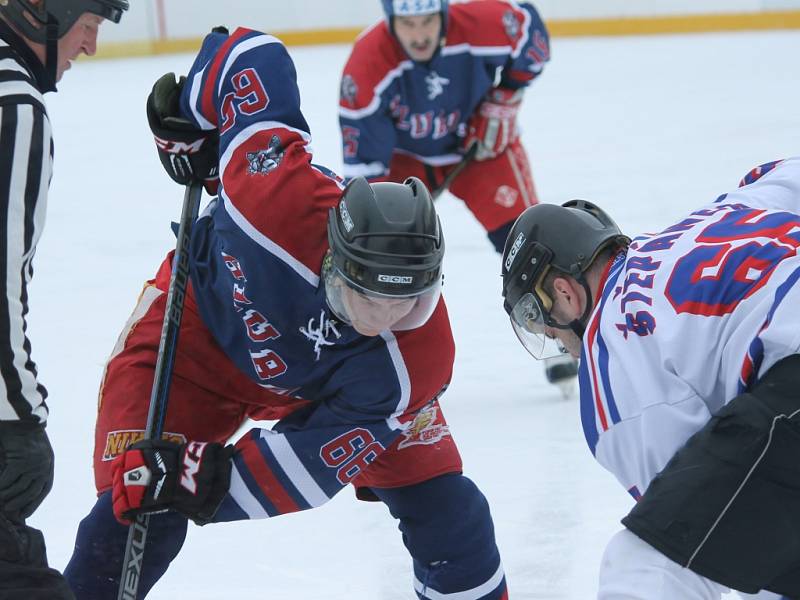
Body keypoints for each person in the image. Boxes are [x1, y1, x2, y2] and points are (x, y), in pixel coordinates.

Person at [63, 26, 509, 600]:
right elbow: (248, 51)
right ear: (332, 264)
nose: (385, 319)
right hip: (195, 340)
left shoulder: (415, 359)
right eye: (367, 300)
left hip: (327, 389)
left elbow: (303, 467)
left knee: (451, 513)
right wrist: (192, 116)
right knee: (133, 517)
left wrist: (200, 478)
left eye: (410, 302)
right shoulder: (270, 198)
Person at [499, 157, 800, 599]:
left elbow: (699, 528)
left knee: (647, 565)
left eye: (535, 317)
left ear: (564, 292)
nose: (548, 333)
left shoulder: (613, 346)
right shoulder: (716, 217)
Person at [339, 0, 578, 395]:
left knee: (527, 249)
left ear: (444, 15)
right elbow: (364, 179)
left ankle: (568, 341)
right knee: (383, 254)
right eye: (408, 24)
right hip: (405, 161)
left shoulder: (484, 22)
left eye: (428, 21)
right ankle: (374, 361)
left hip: (481, 152)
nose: (419, 35)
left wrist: (507, 95)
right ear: (391, 20)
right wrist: (382, 229)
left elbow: (531, 33)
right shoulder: (366, 68)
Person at [0, 0, 127, 598]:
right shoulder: (15, 108)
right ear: (44, 13)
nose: (90, 47)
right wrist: (19, 411)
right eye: (89, 26)